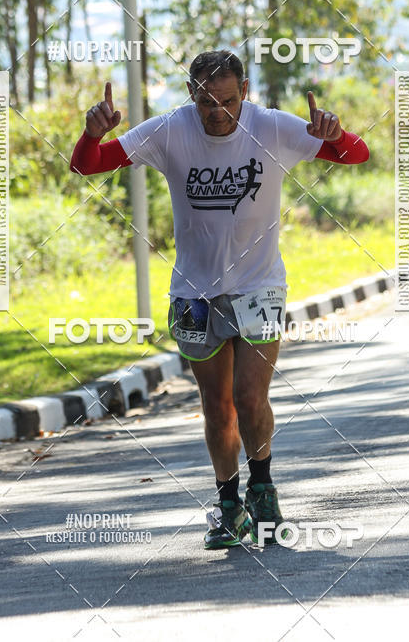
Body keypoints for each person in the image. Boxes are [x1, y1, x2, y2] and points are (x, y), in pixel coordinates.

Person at [70, 50, 369, 549]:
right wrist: (92, 134)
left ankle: (264, 491)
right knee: (218, 405)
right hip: (195, 293)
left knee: (251, 397)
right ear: (191, 93)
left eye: (228, 101)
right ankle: (229, 506)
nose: (218, 112)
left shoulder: (271, 126)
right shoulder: (170, 130)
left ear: (244, 91)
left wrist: (336, 135)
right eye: (207, 102)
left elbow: (356, 155)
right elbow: (87, 165)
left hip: (259, 286)